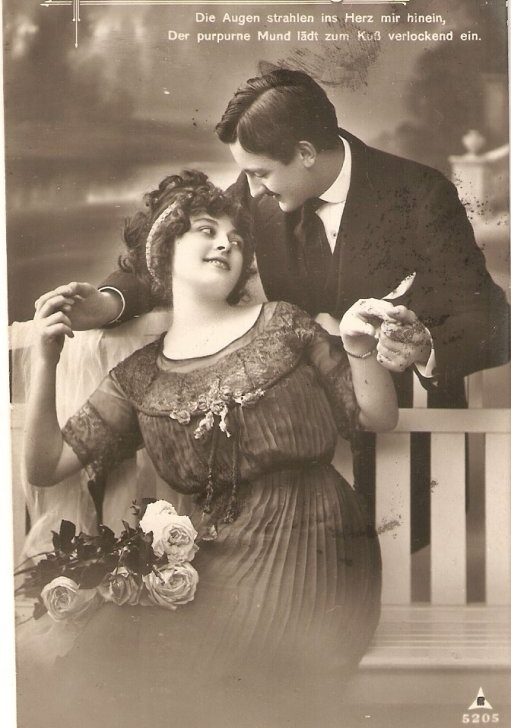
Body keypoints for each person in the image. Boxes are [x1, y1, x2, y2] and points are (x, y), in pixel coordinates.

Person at [35, 69, 510, 549]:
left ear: (305, 153)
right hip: (299, 446)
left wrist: (425, 345)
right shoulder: (258, 194)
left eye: (260, 173)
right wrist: (108, 302)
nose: (252, 189)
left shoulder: (420, 193)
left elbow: (493, 319)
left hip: (407, 446)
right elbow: (171, 245)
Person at [20, 170, 399, 728]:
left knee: (200, 664)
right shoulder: (140, 376)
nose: (227, 244)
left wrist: (358, 346)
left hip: (315, 542)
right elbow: (46, 465)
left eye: (237, 238)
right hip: (216, 557)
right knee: (105, 650)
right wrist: (46, 360)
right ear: (163, 249)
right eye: (206, 230)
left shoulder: (284, 324)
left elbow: (375, 417)